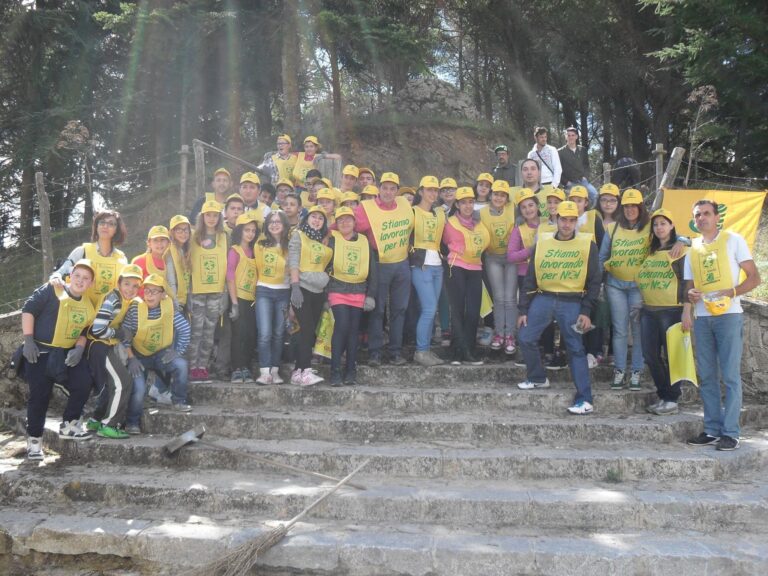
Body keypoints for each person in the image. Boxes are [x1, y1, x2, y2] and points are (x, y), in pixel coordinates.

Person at [683, 199, 760, 451]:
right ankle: (712, 430)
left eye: (706, 213)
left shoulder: (733, 240)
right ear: (694, 221)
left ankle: (731, 433)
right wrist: (691, 298)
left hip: (729, 316)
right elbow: (688, 285)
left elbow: (754, 277)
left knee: (729, 376)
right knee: (706, 377)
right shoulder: (692, 247)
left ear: (717, 217)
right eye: (697, 215)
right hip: (703, 318)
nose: (702, 218)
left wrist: (732, 291)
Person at [517, 201, 601, 415]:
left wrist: (586, 311)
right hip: (544, 297)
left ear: (576, 221)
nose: (567, 224)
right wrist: (523, 309)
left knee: (575, 348)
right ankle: (537, 377)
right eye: (563, 219)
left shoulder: (587, 244)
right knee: (526, 337)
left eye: (572, 220)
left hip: (572, 301)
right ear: (556, 219)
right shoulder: (542, 242)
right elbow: (530, 278)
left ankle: (585, 399)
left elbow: (594, 281)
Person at [21, 259, 97, 459]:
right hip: (40, 353)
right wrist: (28, 340)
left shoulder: (89, 305)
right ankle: (34, 440)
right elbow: (28, 309)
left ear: (91, 284)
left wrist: (80, 348)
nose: (80, 281)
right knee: (39, 397)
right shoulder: (52, 289)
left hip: (65, 354)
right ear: (70, 276)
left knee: (83, 381)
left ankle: (70, 424)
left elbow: (85, 330)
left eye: (86, 278)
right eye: (77, 275)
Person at [354, 172, 415, 366]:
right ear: (378, 189)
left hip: (402, 263)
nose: (388, 192)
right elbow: (348, 227)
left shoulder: (405, 204)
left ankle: (395, 351)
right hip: (378, 264)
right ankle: (375, 353)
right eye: (385, 188)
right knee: (377, 310)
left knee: (400, 309)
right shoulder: (366, 207)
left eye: (392, 188)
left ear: (397, 190)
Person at [122, 274, 192, 434]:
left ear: (163, 295)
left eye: (155, 291)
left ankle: (179, 401)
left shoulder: (169, 307)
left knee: (181, 365)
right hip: (138, 356)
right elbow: (124, 333)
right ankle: (132, 422)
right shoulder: (135, 308)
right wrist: (131, 358)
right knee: (139, 388)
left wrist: (177, 351)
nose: (149, 295)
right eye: (147, 290)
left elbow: (185, 329)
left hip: (161, 354)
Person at [635, 209, 689, 416]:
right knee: (649, 354)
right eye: (656, 224)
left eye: (663, 223)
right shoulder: (650, 250)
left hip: (672, 310)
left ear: (672, 225)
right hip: (648, 310)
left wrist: (686, 310)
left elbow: (686, 281)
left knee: (672, 356)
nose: (659, 228)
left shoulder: (681, 249)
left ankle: (671, 399)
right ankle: (664, 395)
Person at [84, 263, 144, 440]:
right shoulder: (113, 300)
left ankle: (95, 420)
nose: (130, 289)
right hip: (98, 346)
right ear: (119, 283)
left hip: (104, 345)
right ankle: (108, 425)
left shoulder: (125, 300)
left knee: (113, 384)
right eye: (127, 284)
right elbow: (98, 329)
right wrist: (118, 333)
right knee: (124, 382)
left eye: (135, 286)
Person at [599, 188, 649, 390]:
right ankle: (619, 370)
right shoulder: (613, 228)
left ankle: (636, 371)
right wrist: (603, 277)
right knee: (619, 330)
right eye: (626, 206)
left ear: (640, 207)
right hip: (615, 285)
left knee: (638, 330)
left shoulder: (650, 227)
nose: (630, 210)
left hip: (639, 286)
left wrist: (681, 241)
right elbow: (602, 257)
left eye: (633, 206)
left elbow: (671, 236)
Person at [327, 207, 377, 386]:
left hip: (358, 291)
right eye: (340, 220)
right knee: (342, 326)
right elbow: (324, 266)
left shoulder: (364, 241)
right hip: (337, 289)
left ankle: (351, 370)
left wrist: (370, 295)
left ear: (355, 223)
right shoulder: (331, 240)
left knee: (354, 331)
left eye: (348, 219)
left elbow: (373, 270)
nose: (344, 223)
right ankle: (334, 370)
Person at [443, 187, 490, 365]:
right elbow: (448, 241)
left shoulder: (479, 222)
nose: (468, 206)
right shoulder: (451, 222)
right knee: (457, 309)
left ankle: (469, 350)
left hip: (476, 268)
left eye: (470, 202)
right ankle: (457, 351)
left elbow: (485, 242)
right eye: (463, 202)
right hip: (457, 266)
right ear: (457, 204)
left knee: (472, 311)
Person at [289, 206, 332, 385]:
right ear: (306, 219)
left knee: (309, 331)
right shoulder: (299, 235)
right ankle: (306, 370)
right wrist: (295, 287)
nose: (316, 220)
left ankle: (298, 371)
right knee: (305, 329)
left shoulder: (323, 242)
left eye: (320, 218)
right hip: (303, 289)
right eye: (313, 217)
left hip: (318, 292)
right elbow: (293, 260)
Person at [50, 210, 128, 309]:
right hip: (79, 312)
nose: (105, 226)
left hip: (110, 316)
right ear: (96, 226)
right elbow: (60, 273)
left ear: (117, 229)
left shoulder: (122, 258)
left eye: (111, 224)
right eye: (102, 222)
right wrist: (56, 278)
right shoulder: (82, 251)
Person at [188, 200, 227, 383]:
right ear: (202, 216)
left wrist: (225, 293)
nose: (211, 218)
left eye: (215, 215)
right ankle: (191, 366)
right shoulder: (192, 236)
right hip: (197, 291)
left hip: (216, 291)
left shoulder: (224, 236)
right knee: (196, 331)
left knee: (209, 332)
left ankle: (202, 367)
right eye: (208, 215)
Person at [410, 176, 446, 367]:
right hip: (420, 266)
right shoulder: (412, 212)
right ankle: (421, 351)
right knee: (429, 308)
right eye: (429, 189)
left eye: (435, 190)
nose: (433, 193)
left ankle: (426, 350)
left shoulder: (440, 213)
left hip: (437, 266)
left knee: (432, 309)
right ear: (421, 191)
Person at [480, 179, 517, 354]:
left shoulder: (513, 209)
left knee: (510, 298)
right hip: (492, 257)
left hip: (511, 258)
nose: (499, 198)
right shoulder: (481, 213)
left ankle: (510, 334)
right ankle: (499, 333)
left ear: (507, 198)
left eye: (503, 195)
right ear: (491, 195)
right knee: (499, 297)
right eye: (496, 194)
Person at [254, 210, 291, 385]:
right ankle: (264, 371)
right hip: (264, 290)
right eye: (271, 221)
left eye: (278, 221)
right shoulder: (260, 244)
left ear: (284, 225)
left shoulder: (291, 244)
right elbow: (262, 267)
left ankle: (275, 371)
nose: (274, 224)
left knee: (278, 333)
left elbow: (291, 270)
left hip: (284, 292)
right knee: (265, 333)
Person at [226, 213, 259, 384]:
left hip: (252, 300)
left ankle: (246, 366)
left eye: (253, 230)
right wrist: (234, 303)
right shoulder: (235, 250)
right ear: (240, 231)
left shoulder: (256, 251)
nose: (250, 234)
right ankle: (236, 369)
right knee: (238, 335)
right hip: (238, 298)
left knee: (250, 334)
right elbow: (230, 276)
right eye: (247, 230)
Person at [559, 126, 597, 206]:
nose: (571, 137)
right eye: (568, 135)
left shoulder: (582, 150)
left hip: (583, 181)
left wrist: (585, 177)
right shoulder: (560, 152)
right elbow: (558, 170)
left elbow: (586, 165)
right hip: (570, 183)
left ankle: (590, 214)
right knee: (573, 202)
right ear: (566, 137)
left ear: (576, 136)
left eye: (573, 135)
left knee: (595, 195)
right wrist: (566, 182)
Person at [131, 225, 171, 296]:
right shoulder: (139, 261)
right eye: (155, 240)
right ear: (149, 243)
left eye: (162, 240)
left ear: (168, 243)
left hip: (167, 304)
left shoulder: (172, 262)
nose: (159, 243)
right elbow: (132, 287)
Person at [165, 215, 192, 313]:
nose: (183, 233)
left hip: (186, 299)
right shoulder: (169, 251)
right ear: (172, 232)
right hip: (175, 301)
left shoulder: (187, 249)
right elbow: (171, 279)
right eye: (179, 230)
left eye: (185, 230)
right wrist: (175, 302)